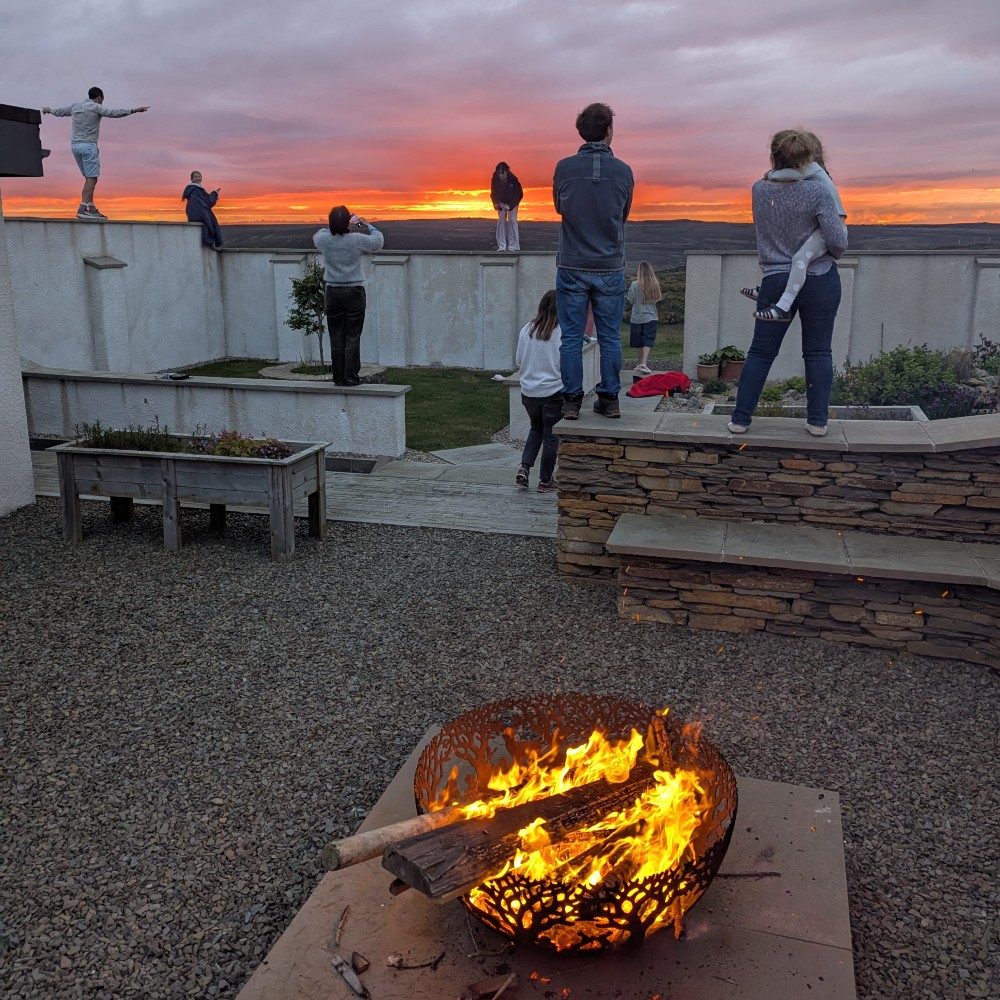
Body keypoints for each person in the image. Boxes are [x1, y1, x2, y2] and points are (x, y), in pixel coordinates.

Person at [728, 129, 848, 438]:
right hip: (820, 279)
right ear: (810, 159)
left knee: (760, 353)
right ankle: (817, 422)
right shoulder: (819, 192)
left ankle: (740, 420)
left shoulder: (758, 189)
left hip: (775, 279)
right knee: (818, 352)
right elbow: (838, 240)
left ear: (774, 156)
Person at [553, 102, 634, 420]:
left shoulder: (563, 168)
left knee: (571, 336)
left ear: (581, 131)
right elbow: (622, 215)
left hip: (572, 263)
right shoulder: (624, 171)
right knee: (610, 335)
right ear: (609, 131)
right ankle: (609, 398)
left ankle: (571, 401)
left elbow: (560, 208)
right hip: (610, 265)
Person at [740, 133, 847, 322]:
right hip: (821, 273)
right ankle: (778, 301)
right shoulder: (814, 177)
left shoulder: (763, 187)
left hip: (779, 270)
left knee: (800, 258)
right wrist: (835, 253)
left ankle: (782, 305)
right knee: (818, 351)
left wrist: (770, 175)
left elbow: (787, 176)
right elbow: (837, 242)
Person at [42, 87, 149, 220]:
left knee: (89, 178)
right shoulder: (96, 107)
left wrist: (49, 110)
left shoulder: (76, 106)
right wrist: (133, 110)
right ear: (99, 97)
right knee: (92, 178)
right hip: (88, 146)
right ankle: (82, 209)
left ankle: (91, 207)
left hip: (75, 146)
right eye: (102, 100)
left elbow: (61, 112)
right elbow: (113, 113)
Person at [313, 206, 384, 385]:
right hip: (354, 292)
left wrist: (334, 226)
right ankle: (351, 377)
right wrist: (367, 225)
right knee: (352, 335)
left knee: (336, 335)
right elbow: (378, 241)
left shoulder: (324, 240)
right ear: (348, 222)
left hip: (333, 293)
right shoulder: (357, 240)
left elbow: (318, 234)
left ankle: (338, 377)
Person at [514, 290, 563, 494]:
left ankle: (524, 468)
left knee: (536, 429)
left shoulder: (527, 329)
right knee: (551, 436)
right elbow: (565, 363)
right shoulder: (561, 331)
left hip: (529, 391)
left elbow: (518, 360)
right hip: (553, 391)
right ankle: (545, 481)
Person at [626, 260, 661, 374]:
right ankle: (644, 363)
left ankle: (641, 362)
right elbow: (657, 298)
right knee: (648, 340)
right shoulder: (654, 284)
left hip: (637, 317)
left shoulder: (634, 284)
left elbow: (631, 300)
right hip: (651, 316)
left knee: (638, 341)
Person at [181, 171, 224, 249]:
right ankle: (209, 242)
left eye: (199, 176)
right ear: (192, 179)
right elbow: (208, 202)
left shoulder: (193, 189)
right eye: (195, 177)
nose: (197, 178)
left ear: (201, 178)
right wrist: (215, 193)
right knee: (211, 221)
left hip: (192, 213)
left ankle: (208, 242)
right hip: (198, 212)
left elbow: (203, 202)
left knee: (209, 220)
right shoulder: (197, 189)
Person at [491, 162, 523, 252]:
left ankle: (513, 246)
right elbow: (493, 193)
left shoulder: (514, 179)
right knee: (501, 221)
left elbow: (519, 194)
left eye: (503, 173)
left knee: (512, 220)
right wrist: (495, 203)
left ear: (507, 172)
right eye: (499, 173)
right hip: (501, 202)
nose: (501, 176)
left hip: (513, 202)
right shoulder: (494, 179)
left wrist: (511, 206)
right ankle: (502, 246)